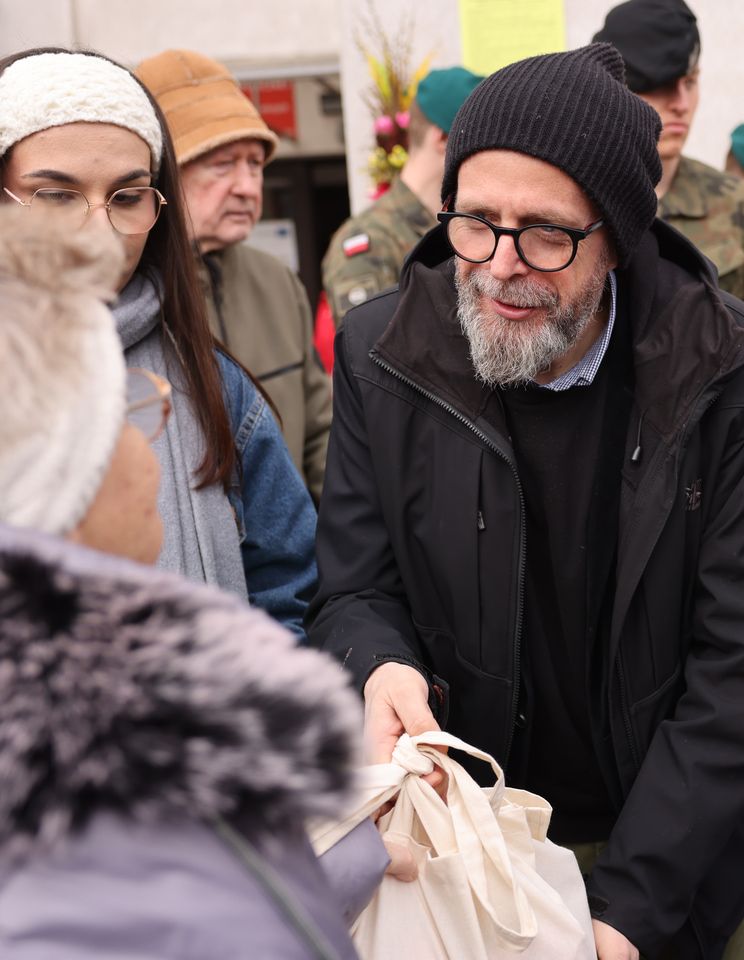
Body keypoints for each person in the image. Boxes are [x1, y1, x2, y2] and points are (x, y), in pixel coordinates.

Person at [308, 42, 744, 959]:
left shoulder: (721, 374)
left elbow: (732, 671)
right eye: (475, 221)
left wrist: (629, 910)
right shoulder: (382, 356)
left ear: (617, 240)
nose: (500, 265)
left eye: (546, 234)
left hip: (675, 855)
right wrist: (380, 664)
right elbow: (353, 589)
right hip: (466, 858)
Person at [0, 208, 388, 958]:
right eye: (131, 412)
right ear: (62, 466)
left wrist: (346, 854)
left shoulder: (92, 698)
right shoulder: (96, 720)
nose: (157, 443)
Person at [0, 47, 317, 640]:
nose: (99, 233)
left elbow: (285, 588)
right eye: (56, 196)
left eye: (126, 197)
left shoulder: (212, 380)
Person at [136, 49, 332, 505]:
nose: (247, 186)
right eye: (222, 165)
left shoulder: (279, 281)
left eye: (255, 164)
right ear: (162, 175)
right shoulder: (130, 297)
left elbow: (321, 436)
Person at [593, 0, 744, 299]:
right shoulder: (574, 201)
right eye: (659, 84)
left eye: (690, 82)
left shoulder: (734, 201)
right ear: (614, 87)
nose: (682, 104)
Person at [322, 66, 483, 325]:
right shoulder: (372, 240)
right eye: (481, 144)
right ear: (443, 138)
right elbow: (369, 351)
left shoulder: (462, 227)